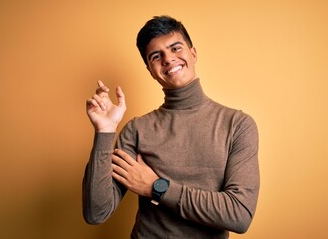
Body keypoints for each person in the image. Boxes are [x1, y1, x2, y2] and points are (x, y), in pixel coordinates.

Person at [83, 15, 260, 238]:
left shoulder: (237, 125)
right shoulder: (136, 129)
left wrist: (157, 187)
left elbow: (239, 214)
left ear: (193, 53)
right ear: (149, 69)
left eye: (175, 48)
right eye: (156, 56)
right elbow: (96, 212)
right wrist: (104, 132)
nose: (168, 59)